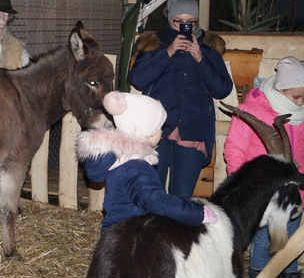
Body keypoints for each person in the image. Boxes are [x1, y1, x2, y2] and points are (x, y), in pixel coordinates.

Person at [129, 0, 233, 199]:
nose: (185, 26)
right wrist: (168, 51)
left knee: (182, 195)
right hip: (156, 128)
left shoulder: (209, 46)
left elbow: (222, 89)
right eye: (179, 21)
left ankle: (175, 231)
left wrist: (201, 58)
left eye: (190, 22)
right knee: (152, 192)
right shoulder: (153, 43)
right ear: (170, 19)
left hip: (193, 127)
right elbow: (138, 79)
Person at [223, 56, 304, 278]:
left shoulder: (301, 116)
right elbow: (234, 149)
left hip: (291, 192)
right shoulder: (253, 110)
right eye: (297, 97)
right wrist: (244, 186)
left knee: (288, 243)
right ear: (281, 89)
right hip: (262, 192)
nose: (301, 102)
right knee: (262, 241)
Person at [77, 91, 218, 233]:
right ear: (145, 133)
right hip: (135, 240)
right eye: (158, 128)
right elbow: (157, 202)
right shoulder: (135, 168)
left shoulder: (119, 159)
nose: (162, 132)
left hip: (114, 233)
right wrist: (199, 214)